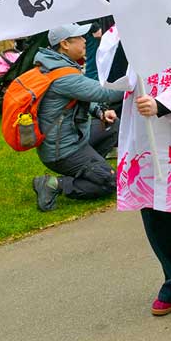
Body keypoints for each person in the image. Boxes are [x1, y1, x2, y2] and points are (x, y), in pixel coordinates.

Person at [95, 30, 171, 326]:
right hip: (143, 129)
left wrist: (164, 104)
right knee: (154, 212)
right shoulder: (124, 24)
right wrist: (128, 35)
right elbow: (112, 78)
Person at [30, 24, 125, 211]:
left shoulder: (55, 65)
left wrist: (100, 112)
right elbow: (105, 93)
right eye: (80, 38)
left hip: (72, 138)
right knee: (111, 181)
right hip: (62, 152)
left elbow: (80, 97)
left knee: (111, 125)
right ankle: (54, 184)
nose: (84, 41)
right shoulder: (62, 75)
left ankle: (91, 168)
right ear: (64, 44)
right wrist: (135, 84)